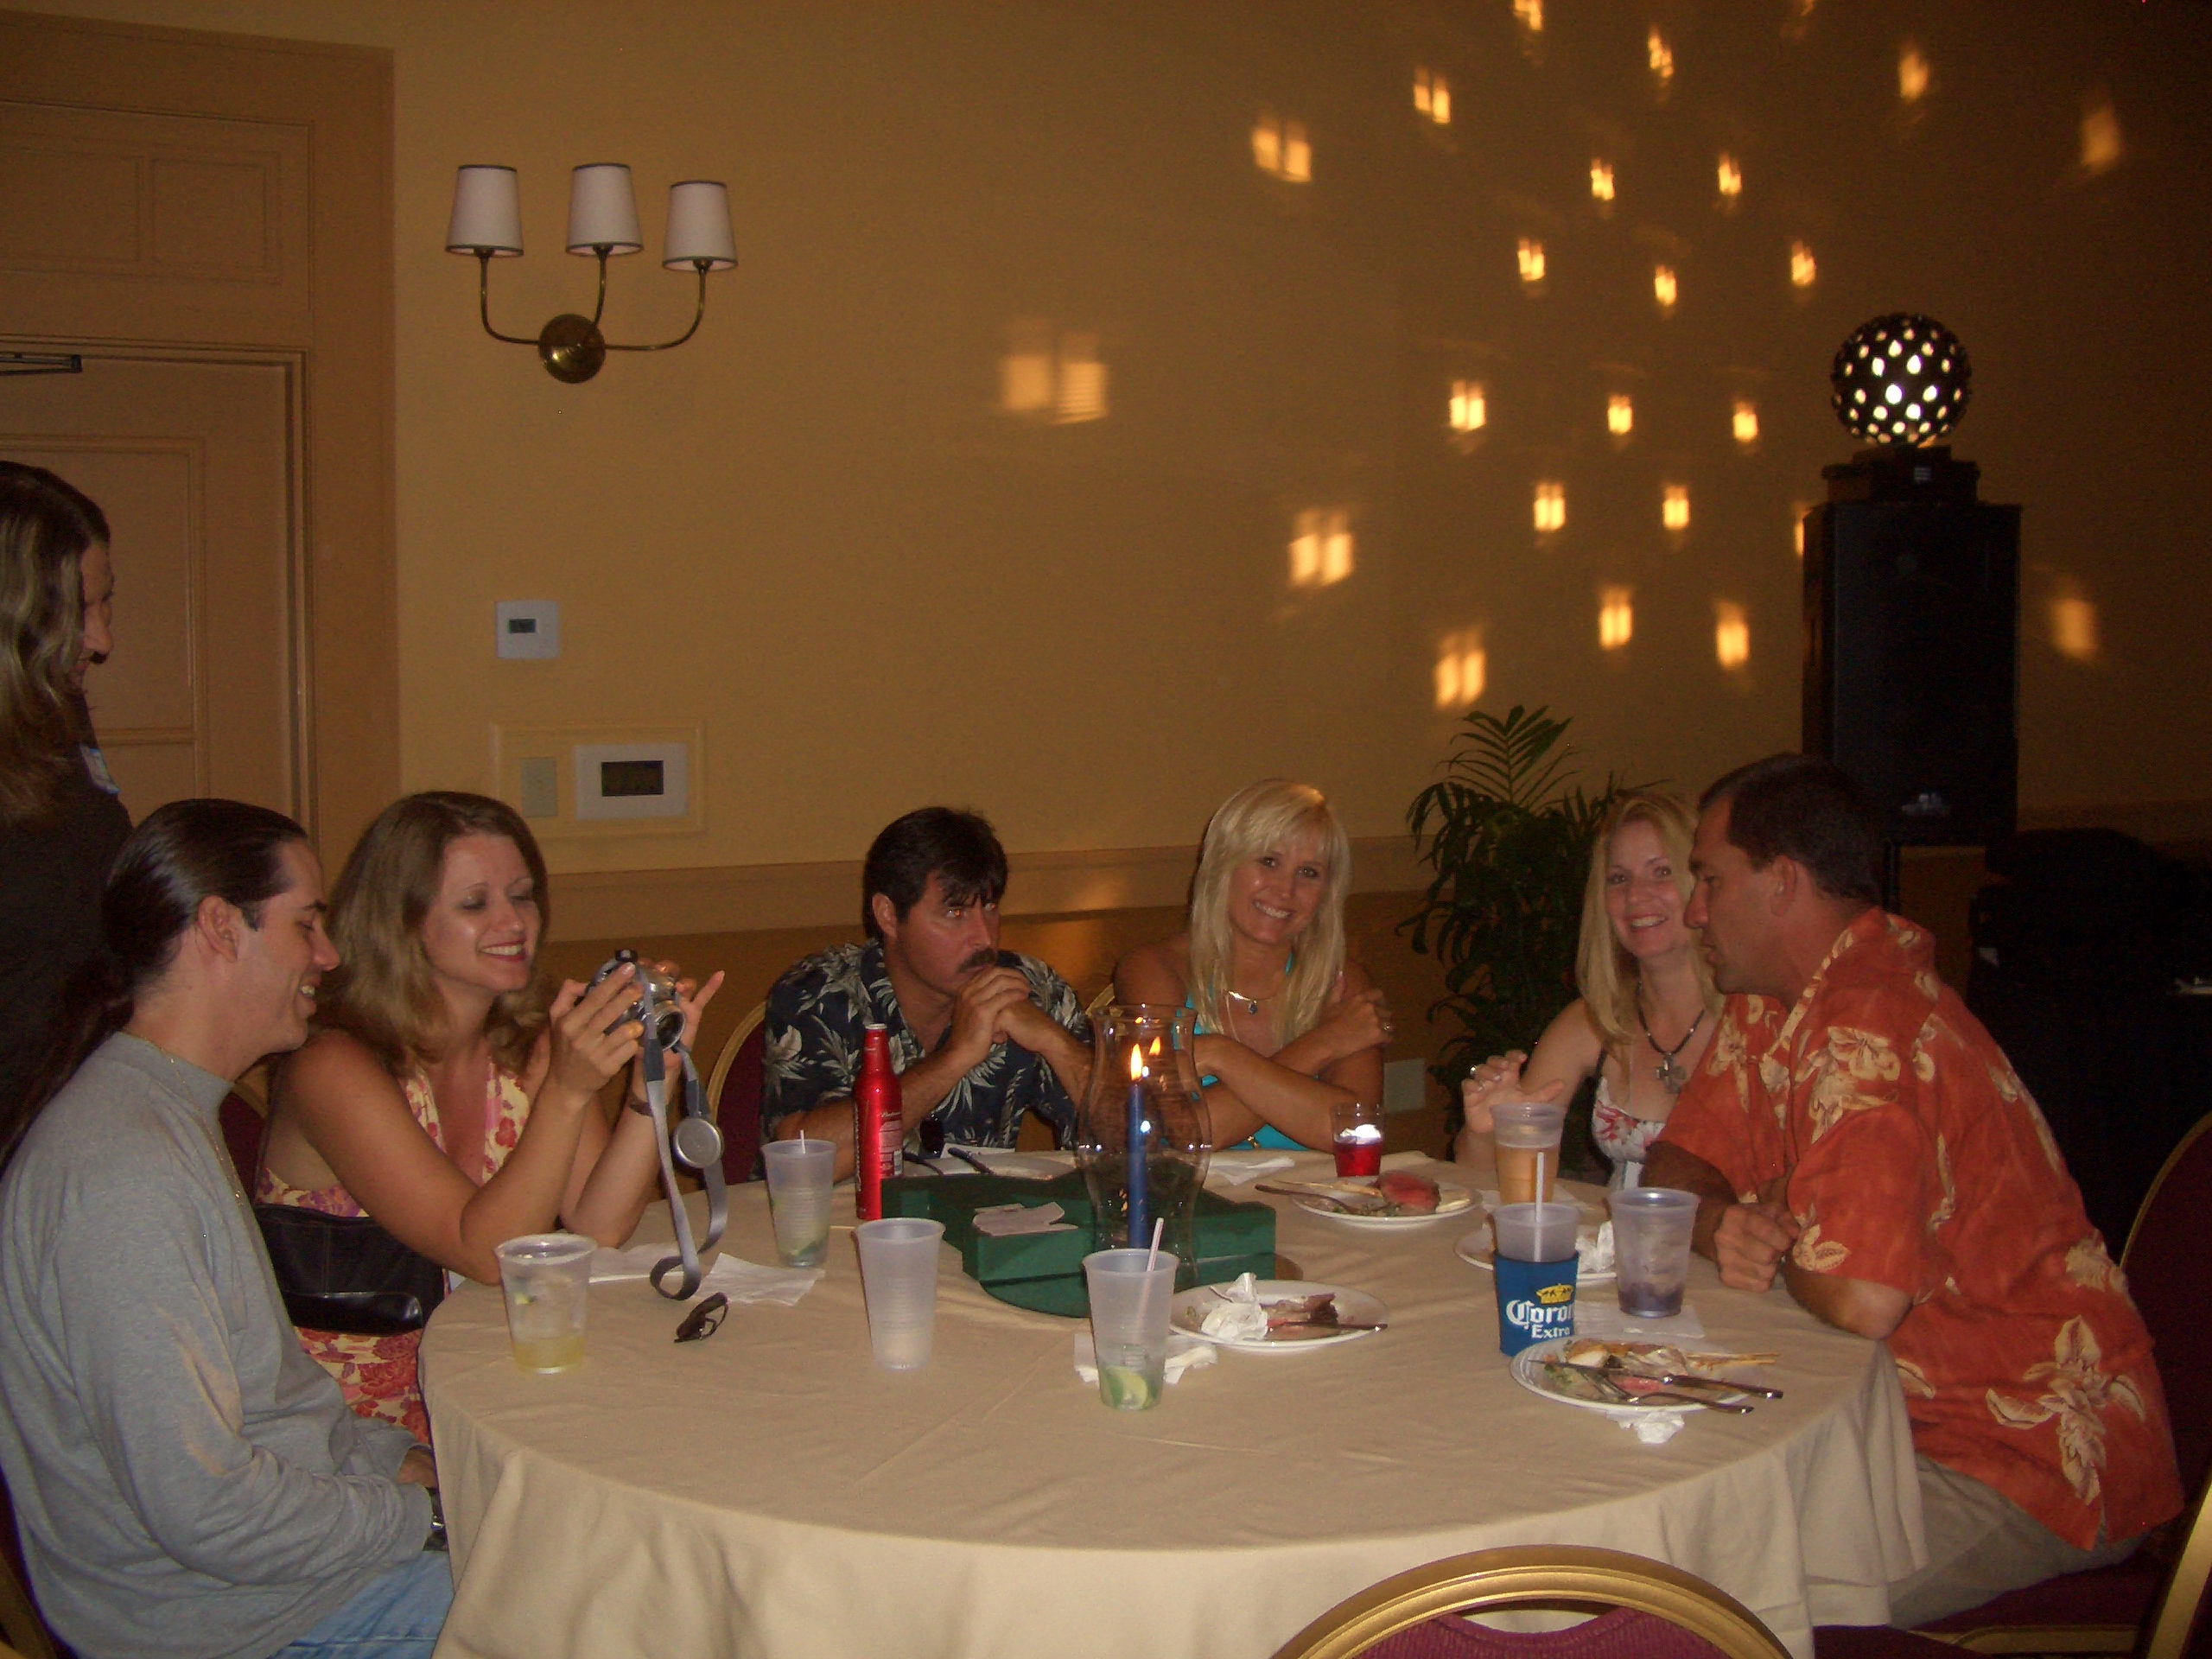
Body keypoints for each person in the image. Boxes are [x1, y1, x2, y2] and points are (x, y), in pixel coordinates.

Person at [1643, 754, 2183, 1627]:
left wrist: (1783, 1228)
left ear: (1781, 882)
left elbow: (1862, 1298)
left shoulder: (1871, 1026)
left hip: (2027, 1458)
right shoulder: (1772, 1000)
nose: (1693, 908)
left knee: (1713, 1605)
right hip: (1881, 1426)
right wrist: (1722, 1221)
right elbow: (1674, 1162)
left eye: (1709, 878)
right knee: (1678, 1525)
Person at [0, 798, 449, 1657]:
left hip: (273, 1584)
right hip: (237, 1624)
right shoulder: (122, 1172)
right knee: (602, 1612)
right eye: (305, 924)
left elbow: (269, 1412)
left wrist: (394, 1463)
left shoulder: (162, 1111)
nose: (328, 955)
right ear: (218, 928)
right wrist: (422, 1517)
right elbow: (207, 1510)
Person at [258, 791, 721, 1440]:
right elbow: (481, 1252)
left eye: (523, 896)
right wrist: (565, 1093)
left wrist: (655, 1078)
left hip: (493, 1392)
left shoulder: (526, 1040)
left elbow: (599, 1227)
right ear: (400, 922)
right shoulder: (332, 1065)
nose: (514, 922)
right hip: (357, 1434)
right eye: (475, 903)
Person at [765, 806, 1090, 1179]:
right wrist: (955, 1058)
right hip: (847, 1216)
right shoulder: (819, 996)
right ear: (888, 916)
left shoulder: (1032, 989)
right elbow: (801, 1166)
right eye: (955, 913)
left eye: (990, 907)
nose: (985, 938)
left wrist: (1055, 1042)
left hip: (981, 1213)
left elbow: (1131, 1141)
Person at [1452, 791, 1721, 1187]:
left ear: (1705, 883)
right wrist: (1486, 1133)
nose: (1635, 895)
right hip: (1620, 1229)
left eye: (1662, 871)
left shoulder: (1756, 1016)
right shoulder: (1594, 1021)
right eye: (1619, 879)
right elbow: (1481, 1181)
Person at [1115, 779, 1389, 1150]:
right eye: (1269, 862)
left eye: (1309, 872)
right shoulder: (1154, 968)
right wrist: (1322, 1044)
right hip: (1197, 1189)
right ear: (1222, 865)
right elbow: (1189, 1130)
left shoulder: (1342, 981)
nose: (1285, 890)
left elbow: (1355, 1135)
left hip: (1313, 1188)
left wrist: (1220, 1056)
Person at [0, 461, 130, 1116]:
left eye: (104, 602)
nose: (101, 640)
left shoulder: (54, 711)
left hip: (73, 1113)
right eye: (77, 611)